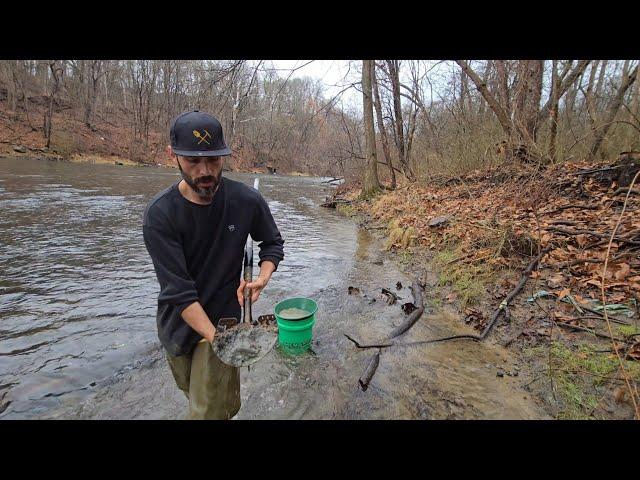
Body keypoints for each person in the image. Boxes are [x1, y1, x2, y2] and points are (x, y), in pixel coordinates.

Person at [142, 110, 284, 419]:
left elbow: (272, 243)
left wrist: (262, 277)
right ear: (173, 156)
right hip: (177, 326)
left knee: (210, 412)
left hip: (224, 323)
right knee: (194, 396)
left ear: (225, 156)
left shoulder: (246, 201)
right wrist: (223, 343)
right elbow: (178, 293)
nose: (205, 171)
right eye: (193, 161)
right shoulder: (160, 216)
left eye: (214, 160)